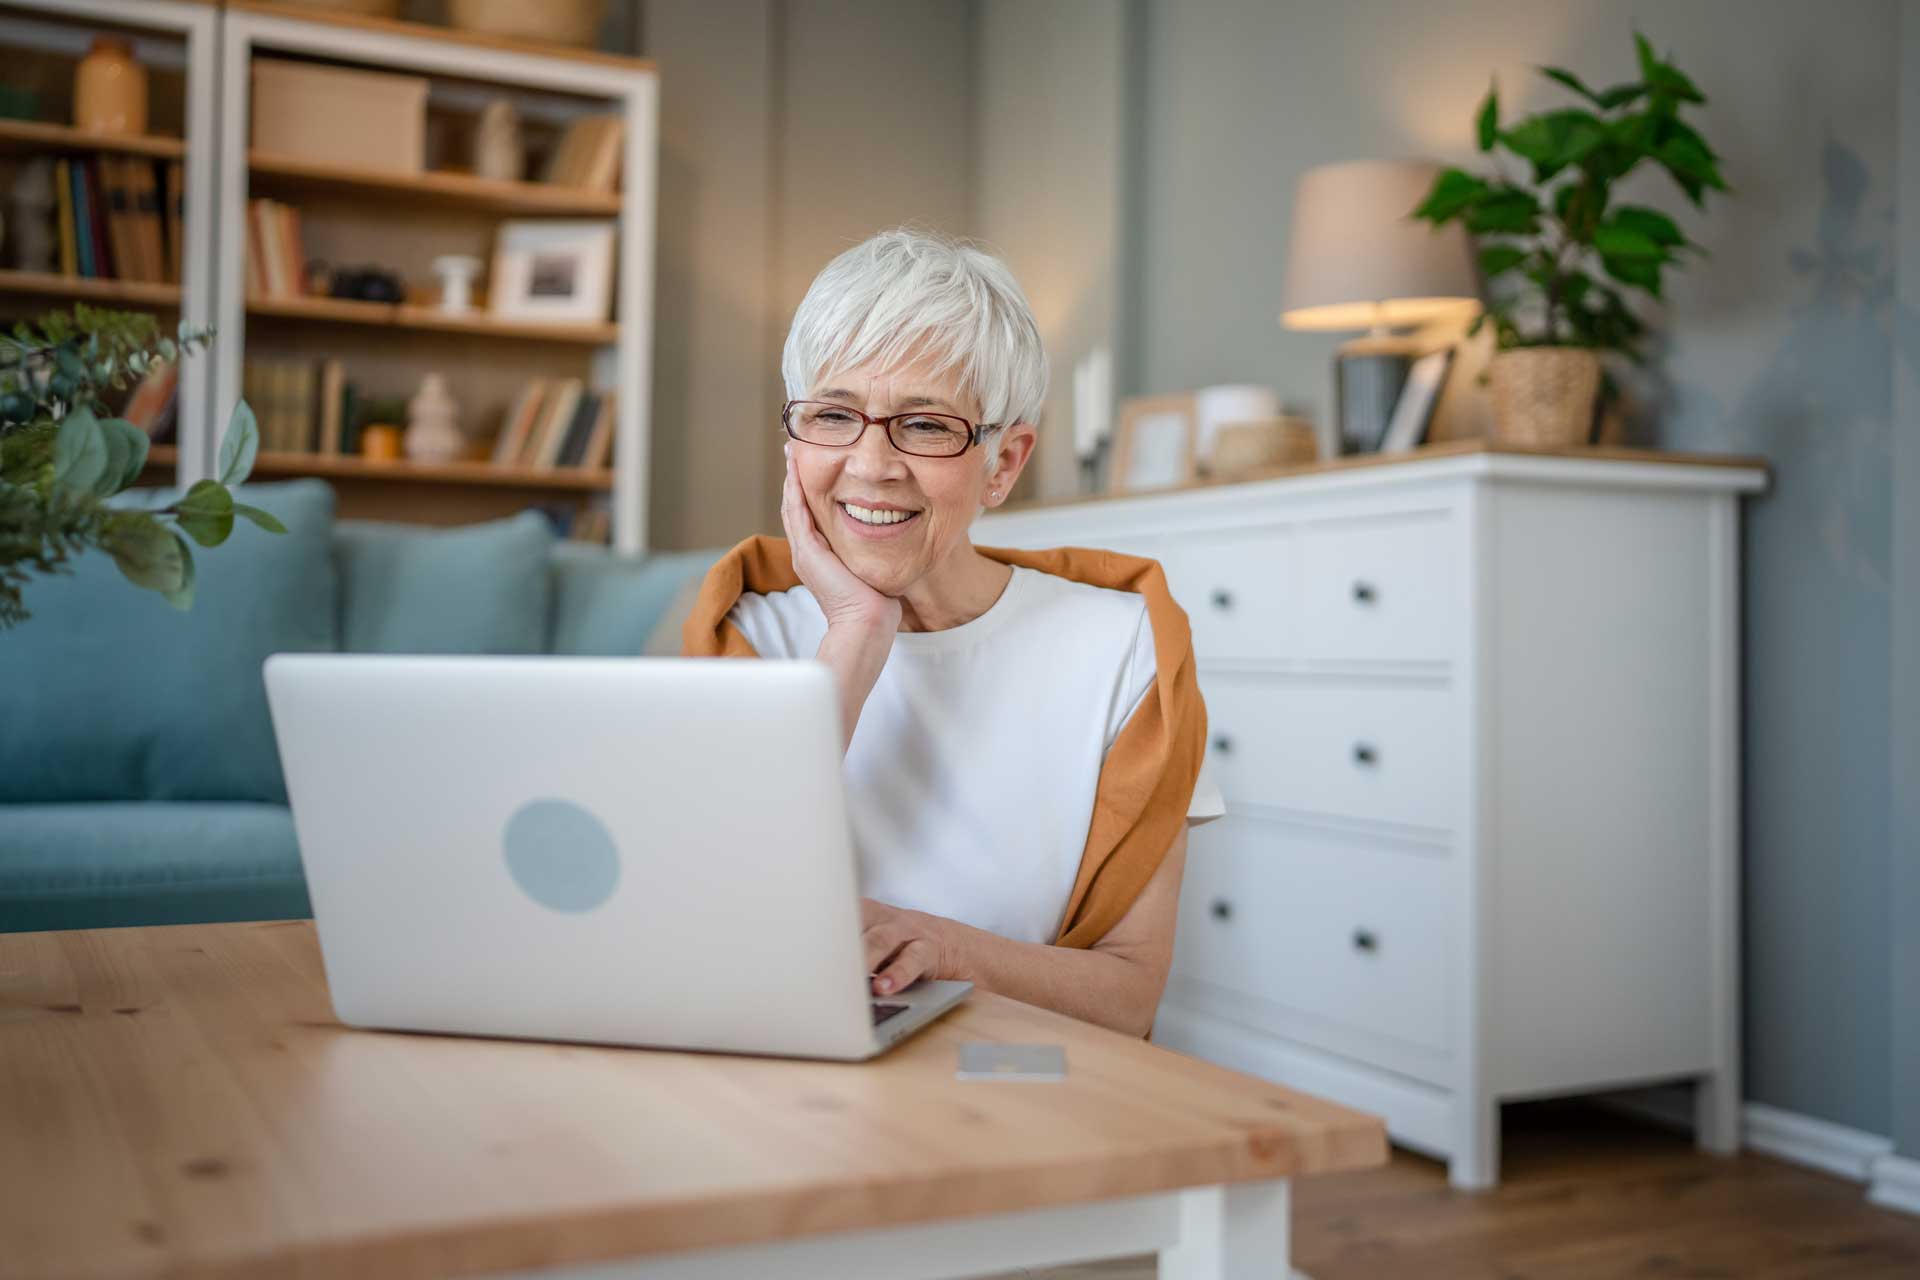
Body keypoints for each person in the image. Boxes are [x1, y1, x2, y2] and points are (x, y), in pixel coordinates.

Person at [683, 228, 1221, 1037]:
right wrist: (855, 637)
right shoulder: (747, 632)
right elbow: (705, 929)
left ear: (1004, 463)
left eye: (927, 426)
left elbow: (1129, 994)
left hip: (1024, 1084)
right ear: (793, 442)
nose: (870, 465)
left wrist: (945, 949)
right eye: (833, 415)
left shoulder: (1126, 649)